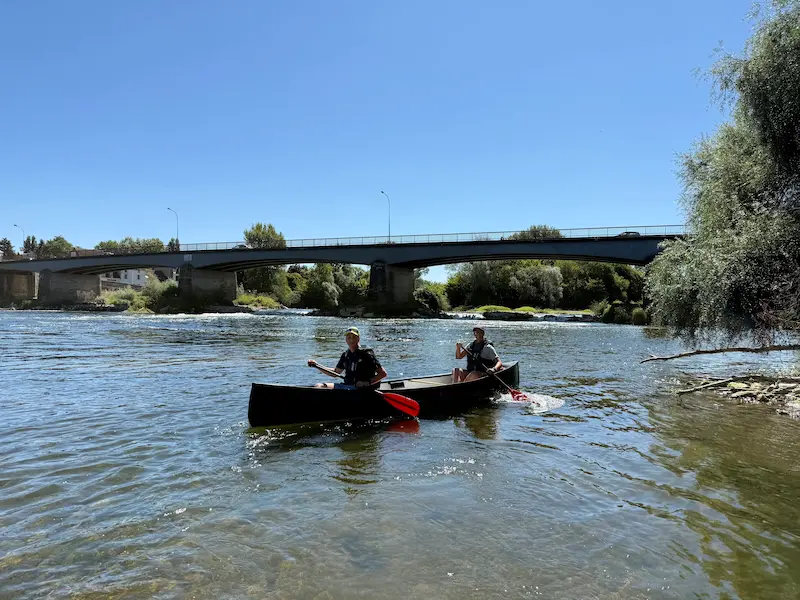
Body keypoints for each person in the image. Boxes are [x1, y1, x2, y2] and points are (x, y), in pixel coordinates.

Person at [307, 326, 387, 389]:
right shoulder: (345, 355)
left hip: (362, 390)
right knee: (319, 386)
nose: (351, 340)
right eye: (349, 337)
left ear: (358, 339)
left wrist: (367, 383)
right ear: (346, 340)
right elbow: (335, 372)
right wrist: (317, 365)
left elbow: (383, 374)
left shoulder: (366, 353)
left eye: (353, 337)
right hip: (347, 386)